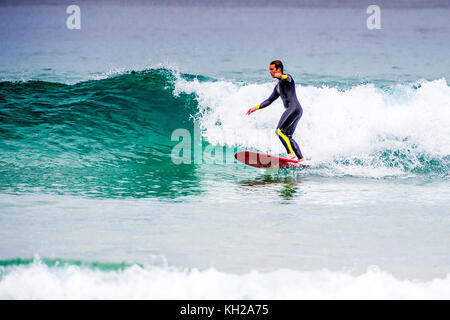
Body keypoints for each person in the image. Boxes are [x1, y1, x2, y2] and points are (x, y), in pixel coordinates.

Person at [247, 60, 304, 161]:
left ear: (279, 69)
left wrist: (281, 76)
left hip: (293, 108)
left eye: (272, 69)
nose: (270, 71)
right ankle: (301, 159)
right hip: (297, 110)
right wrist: (254, 108)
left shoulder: (287, 79)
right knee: (288, 136)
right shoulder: (277, 87)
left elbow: (287, 77)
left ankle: (290, 153)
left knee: (279, 130)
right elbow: (269, 101)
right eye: (269, 69)